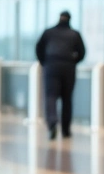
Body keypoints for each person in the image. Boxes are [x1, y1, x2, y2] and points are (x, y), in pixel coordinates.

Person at [35, 11, 86, 140]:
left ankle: (52, 123)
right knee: (67, 98)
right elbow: (82, 52)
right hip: (68, 67)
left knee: (51, 96)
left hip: (51, 65)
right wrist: (73, 61)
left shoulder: (49, 32)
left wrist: (44, 62)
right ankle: (66, 130)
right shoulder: (74, 34)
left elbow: (39, 48)